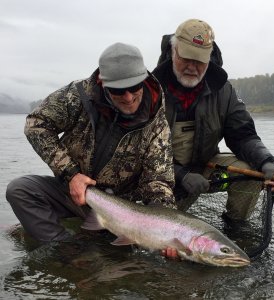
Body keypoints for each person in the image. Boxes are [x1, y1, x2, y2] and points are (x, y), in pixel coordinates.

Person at [6, 42, 176, 243]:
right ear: (104, 84)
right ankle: (65, 250)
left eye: (134, 87)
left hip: (121, 208)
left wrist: (167, 231)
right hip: (73, 192)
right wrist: (71, 174)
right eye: (118, 90)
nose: (128, 97)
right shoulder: (77, 96)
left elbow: (158, 181)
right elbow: (37, 124)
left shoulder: (157, 122)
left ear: (144, 80)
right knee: (20, 190)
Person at [152, 19, 274, 221]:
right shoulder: (149, 90)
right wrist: (181, 175)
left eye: (199, 61)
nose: (192, 67)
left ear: (209, 58)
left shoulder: (224, 90)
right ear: (173, 51)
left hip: (204, 168)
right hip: (161, 175)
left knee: (251, 172)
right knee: (159, 234)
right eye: (186, 58)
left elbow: (243, 135)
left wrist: (266, 161)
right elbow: (141, 153)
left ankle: (236, 230)